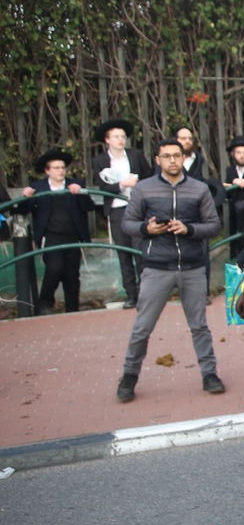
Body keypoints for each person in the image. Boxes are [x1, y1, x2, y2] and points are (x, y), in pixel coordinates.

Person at [115, 139, 224, 402]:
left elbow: (214, 225)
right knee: (142, 326)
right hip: (156, 267)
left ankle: (209, 374)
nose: (173, 160)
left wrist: (190, 229)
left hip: (193, 266)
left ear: (184, 159)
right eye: (167, 156)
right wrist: (146, 229)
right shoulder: (144, 189)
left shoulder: (199, 189)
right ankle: (129, 376)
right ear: (157, 160)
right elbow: (127, 223)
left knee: (199, 326)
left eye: (177, 156)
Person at [18, 149, 96, 314]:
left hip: (72, 236)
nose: (60, 171)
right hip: (51, 236)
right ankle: (44, 303)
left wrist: (80, 193)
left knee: (72, 275)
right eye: (56, 168)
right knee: (54, 269)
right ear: (47, 171)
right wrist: (26, 196)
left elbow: (89, 207)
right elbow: (23, 210)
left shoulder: (74, 184)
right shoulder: (38, 187)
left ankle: (72, 309)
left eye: (62, 167)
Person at [91, 118, 153, 308]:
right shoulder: (100, 161)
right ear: (107, 140)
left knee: (140, 252)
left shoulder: (135, 155)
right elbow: (102, 186)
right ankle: (131, 295)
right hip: (117, 210)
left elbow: (150, 177)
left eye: (123, 136)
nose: (120, 140)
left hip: (137, 208)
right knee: (124, 254)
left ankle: (145, 294)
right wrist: (122, 185)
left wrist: (139, 187)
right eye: (116, 136)